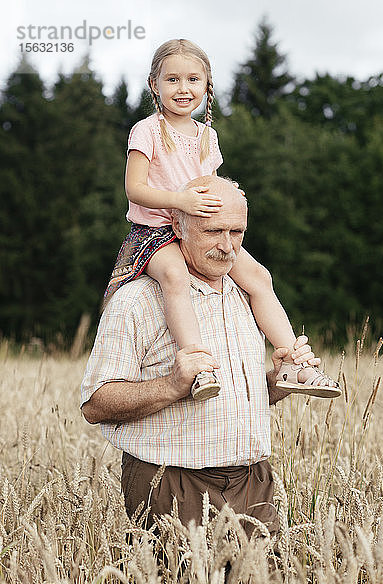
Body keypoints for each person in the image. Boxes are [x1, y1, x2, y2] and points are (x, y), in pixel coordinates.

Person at [81, 176, 338, 535]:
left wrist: (276, 381)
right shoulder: (136, 300)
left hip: (253, 480)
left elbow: (243, 394)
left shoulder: (246, 293)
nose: (227, 246)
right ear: (178, 226)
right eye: (213, 231)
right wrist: (172, 385)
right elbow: (95, 405)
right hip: (172, 481)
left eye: (237, 232)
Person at [103, 38, 341, 402]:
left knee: (260, 277)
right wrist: (179, 200)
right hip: (156, 231)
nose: (183, 89)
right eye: (173, 80)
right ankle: (197, 365)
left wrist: (232, 195)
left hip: (200, 230)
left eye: (193, 80)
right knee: (175, 276)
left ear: (206, 85)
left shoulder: (207, 136)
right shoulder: (147, 130)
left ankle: (293, 360)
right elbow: (134, 189)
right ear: (155, 84)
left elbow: (212, 185)